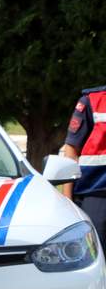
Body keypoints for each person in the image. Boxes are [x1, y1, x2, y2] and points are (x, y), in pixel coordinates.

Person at [61, 84, 106, 243]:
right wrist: (67, 200)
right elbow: (71, 149)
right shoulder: (92, 101)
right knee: (95, 251)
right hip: (97, 193)